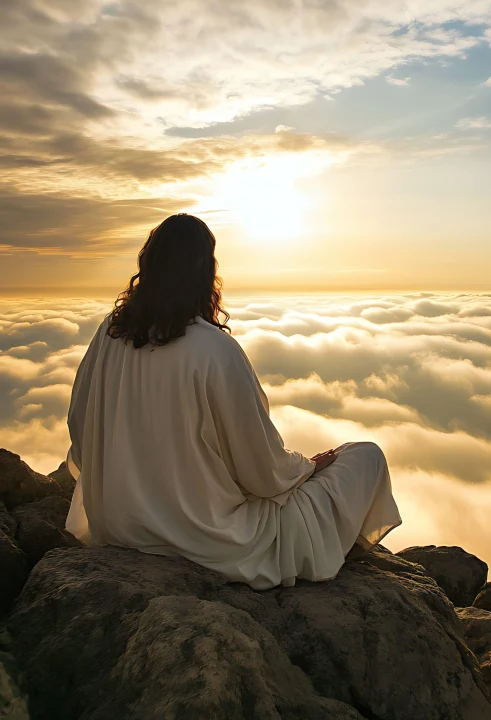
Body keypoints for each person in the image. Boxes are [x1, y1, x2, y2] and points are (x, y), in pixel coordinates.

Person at [64, 213, 402, 589]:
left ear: (149, 265)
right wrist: (306, 467)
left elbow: (79, 429)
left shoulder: (109, 334)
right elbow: (264, 473)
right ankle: (334, 554)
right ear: (206, 272)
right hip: (208, 539)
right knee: (365, 454)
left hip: (118, 525)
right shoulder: (215, 350)